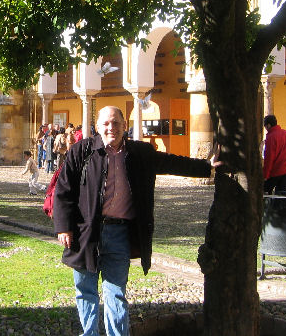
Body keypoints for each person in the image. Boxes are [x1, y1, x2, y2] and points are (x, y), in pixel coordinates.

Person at [54, 106, 220, 336]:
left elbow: (171, 162)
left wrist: (206, 167)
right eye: (106, 123)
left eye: (116, 123)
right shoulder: (82, 151)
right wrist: (64, 227)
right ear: (97, 127)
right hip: (85, 233)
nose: (111, 128)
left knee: (116, 292)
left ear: (125, 125)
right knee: (85, 290)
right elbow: (63, 190)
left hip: (119, 234)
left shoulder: (140, 153)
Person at [263, 114, 286, 194]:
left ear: (268, 125)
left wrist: (265, 175)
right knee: (282, 194)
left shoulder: (271, 137)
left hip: (275, 170)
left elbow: (269, 157)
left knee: (264, 191)